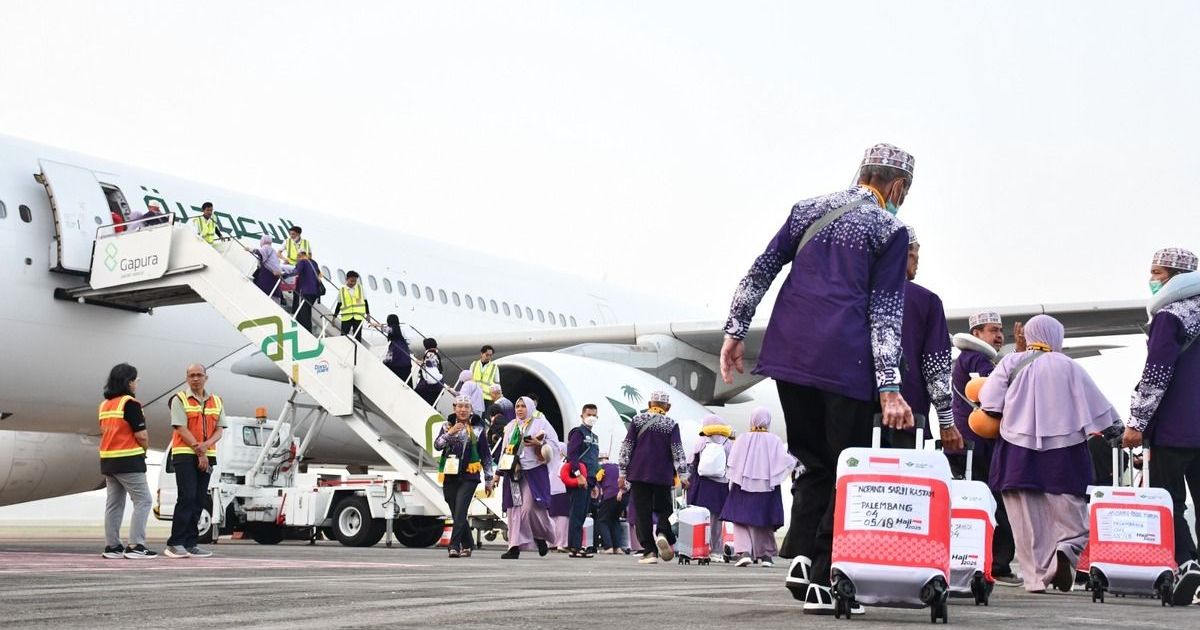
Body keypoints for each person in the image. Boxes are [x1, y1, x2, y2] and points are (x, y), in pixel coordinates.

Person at [719, 143, 914, 614]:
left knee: (812, 463)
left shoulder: (806, 209)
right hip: (844, 363)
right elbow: (886, 313)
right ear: (897, 186)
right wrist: (890, 387)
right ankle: (826, 578)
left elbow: (760, 270)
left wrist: (735, 330)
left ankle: (803, 558)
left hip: (789, 355)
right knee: (844, 465)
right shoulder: (890, 228)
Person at [978, 315, 1124, 594]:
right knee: (1073, 516)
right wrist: (1119, 434)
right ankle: (1067, 550)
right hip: (1065, 451)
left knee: (1025, 521)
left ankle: (1035, 579)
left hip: (1016, 450)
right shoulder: (1069, 365)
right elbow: (1100, 408)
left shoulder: (1011, 362)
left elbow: (990, 402)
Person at [1124, 247, 1200, 603]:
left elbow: (1156, 373)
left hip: (1174, 428)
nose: (1152, 279)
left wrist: (1136, 422)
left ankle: (1187, 562)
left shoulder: (1170, 316)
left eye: (1157, 273)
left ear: (1174, 276)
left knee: (1168, 498)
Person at [950, 310, 1021, 585]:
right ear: (976, 334)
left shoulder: (966, 359)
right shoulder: (977, 359)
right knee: (994, 502)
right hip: (978, 446)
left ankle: (978, 559)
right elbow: (991, 394)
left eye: (1000, 329)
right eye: (992, 330)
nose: (999, 335)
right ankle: (998, 563)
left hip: (966, 445)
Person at [894, 226, 962, 450]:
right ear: (909, 254)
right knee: (900, 483)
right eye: (915, 255)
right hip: (906, 415)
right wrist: (946, 422)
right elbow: (936, 366)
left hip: (853, 412)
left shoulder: (858, 292)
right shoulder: (926, 300)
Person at [618, 391, 689, 565]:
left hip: (639, 473)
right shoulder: (671, 424)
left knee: (643, 512)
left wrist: (622, 473)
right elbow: (677, 451)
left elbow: (626, 447)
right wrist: (684, 475)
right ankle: (663, 533)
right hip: (662, 474)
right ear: (668, 407)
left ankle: (650, 551)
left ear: (650, 404)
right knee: (664, 508)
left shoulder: (637, 420)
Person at [164, 363, 226, 559]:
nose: (196, 379)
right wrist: (200, 451)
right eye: (192, 375)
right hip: (185, 454)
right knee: (187, 497)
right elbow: (180, 427)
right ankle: (175, 543)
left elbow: (220, 429)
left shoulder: (216, 401)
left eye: (199, 375)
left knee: (200, 499)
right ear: (186, 378)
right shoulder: (179, 399)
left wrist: (206, 447)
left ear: (206, 377)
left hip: (207, 453)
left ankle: (191, 543)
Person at [722, 408, 796, 568]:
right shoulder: (774, 440)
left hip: (742, 485)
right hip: (767, 487)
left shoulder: (742, 438)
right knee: (763, 521)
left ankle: (744, 552)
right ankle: (766, 556)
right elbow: (786, 461)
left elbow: (733, 462)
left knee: (739, 520)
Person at [98, 363, 156, 560]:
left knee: (114, 504)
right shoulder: (130, 403)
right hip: (128, 460)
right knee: (144, 500)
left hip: (108, 461)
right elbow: (141, 435)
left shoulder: (105, 405)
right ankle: (136, 545)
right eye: (135, 380)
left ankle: (112, 546)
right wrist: (144, 450)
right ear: (129, 382)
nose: (136, 383)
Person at [498, 397, 560, 559]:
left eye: (523, 406)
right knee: (514, 509)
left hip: (534, 471)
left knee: (529, 508)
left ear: (531, 407)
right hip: (514, 471)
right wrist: (498, 474)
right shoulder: (511, 426)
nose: (519, 409)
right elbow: (504, 449)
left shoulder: (541, 424)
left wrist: (538, 444)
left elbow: (554, 445)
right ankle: (514, 546)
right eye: (517, 406)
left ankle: (541, 536)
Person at [434, 395, 495, 557]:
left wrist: (489, 479)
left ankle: (454, 546)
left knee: (461, 509)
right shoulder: (446, 426)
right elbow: (437, 445)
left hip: (470, 475)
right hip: (450, 473)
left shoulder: (478, 428)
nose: (463, 410)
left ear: (471, 410)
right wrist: (450, 434)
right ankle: (468, 543)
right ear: (454, 407)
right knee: (456, 510)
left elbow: (486, 456)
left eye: (466, 407)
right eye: (460, 406)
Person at [687, 414, 734, 560]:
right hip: (720, 485)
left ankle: (697, 549)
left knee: (698, 518)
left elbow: (691, 463)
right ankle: (716, 551)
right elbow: (733, 463)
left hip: (701, 484)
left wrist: (686, 479)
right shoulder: (727, 442)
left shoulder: (701, 441)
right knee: (716, 520)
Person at [565, 404, 601, 558]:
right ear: (582, 416)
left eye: (594, 415)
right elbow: (572, 455)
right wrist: (578, 474)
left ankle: (578, 546)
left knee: (583, 514)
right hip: (579, 478)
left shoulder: (595, 437)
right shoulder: (578, 433)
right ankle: (574, 546)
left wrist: (594, 483)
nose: (591, 417)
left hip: (590, 480)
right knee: (577, 514)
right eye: (589, 414)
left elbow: (594, 460)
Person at [594, 452, 629, 554]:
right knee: (614, 520)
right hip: (624, 495)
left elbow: (597, 482)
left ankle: (608, 547)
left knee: (602, 520)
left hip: (610, 495)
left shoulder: (600, 468)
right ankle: (617, 547)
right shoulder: (618, 466)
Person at [370, 314, 412, 383]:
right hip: (405, 362)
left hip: (398, 363)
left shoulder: (395, 329)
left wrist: (377, 325)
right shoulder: (398, 336)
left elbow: (388, 329)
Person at [291, 250, 321, 333]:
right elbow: (319, 274)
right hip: (315, 292)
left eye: (297, 256)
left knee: (303, 312)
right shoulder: (314, 263)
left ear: (301, 255)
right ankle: (307, 330)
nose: (297, 258)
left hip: (306, 290)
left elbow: (296, 272)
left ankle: (305, 331)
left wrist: (284, 274)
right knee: (307, 311)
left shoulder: (302, 262)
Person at [334, 270, 368, 342]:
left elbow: (365, 301)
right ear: (346, 279)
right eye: (351, 281)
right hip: (346, 316)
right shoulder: (342, 290)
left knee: (358, 336)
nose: (353, 283)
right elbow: (339, 304)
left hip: (358, 316)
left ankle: (357, 351)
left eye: (355, 281)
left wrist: (368, 314)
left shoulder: (360, 288)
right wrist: (334, 316)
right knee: (343, 336)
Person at [252, 235, 284, 303]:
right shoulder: (273, 252)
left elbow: (260, 252)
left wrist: (250, 249)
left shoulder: (267, 247)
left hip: (266, 280)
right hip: (274, 285)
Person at [415, 338, 444, 405]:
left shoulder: (430, 354)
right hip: (435, 385)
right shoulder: (435, 354)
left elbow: (430, 365)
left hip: (429, 385)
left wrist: (420, 363)